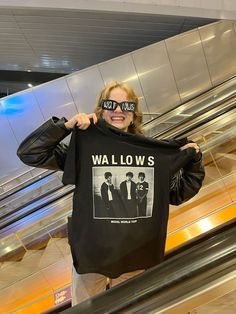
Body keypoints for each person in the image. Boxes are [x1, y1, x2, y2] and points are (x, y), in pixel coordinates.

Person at [17, 81, 205, 305]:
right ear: (101, 110)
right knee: (87, 311)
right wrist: (65, 127)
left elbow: (177, 194)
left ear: (134, 113)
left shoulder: (151, 153)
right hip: (91, 255)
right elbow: (29, 153)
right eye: (111, 104)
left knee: (129, 309)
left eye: (125, 105)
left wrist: (193, 162)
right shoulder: (84, 147)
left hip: (134, 253)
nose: (118, 110)